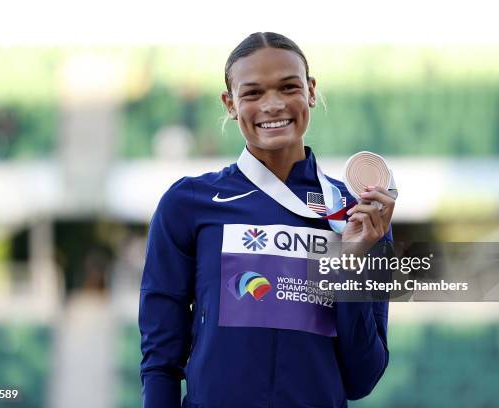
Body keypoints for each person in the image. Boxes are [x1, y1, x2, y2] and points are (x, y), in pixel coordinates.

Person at [139, 32, 396, 408]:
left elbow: (362, 377)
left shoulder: (359, 213)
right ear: (230, 104)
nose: (273, 105)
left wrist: (350, 262)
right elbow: (161, 360)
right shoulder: (189, 204)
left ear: (310, 90)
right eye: (253, 93)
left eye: (288, 87)